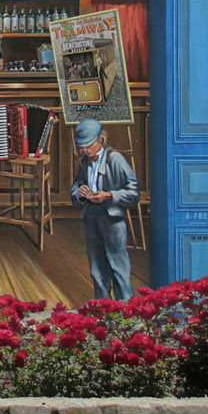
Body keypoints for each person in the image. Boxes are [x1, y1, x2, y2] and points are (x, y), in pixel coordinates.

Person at [69, 118, 139, 302]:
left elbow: (133, 193)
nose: (85, 150)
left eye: (89, 145)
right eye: (82, 147)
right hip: (91, 216)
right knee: (97, 269)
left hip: (112, 219)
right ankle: (102, 308)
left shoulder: (115, 159)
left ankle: (126, 309)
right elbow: (76, 186)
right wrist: (80, 192)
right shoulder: (84, 161)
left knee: (118, 266)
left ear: (101, 139)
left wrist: (108, 195)